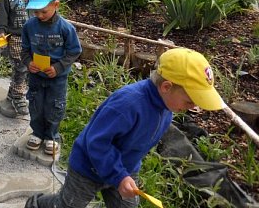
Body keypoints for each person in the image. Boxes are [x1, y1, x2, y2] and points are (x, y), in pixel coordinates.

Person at [25, 48, 224, 208]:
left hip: (124, 168)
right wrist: (119, 176)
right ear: (166, 87)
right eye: (190, 101)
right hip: (89, 167)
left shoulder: (167, 106)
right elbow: (97, 142)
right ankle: (35, 203)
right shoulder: (128, 104)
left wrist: (122, 175)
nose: (194, 107)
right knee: (68, 204)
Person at [21, 0, 81, 154]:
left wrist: (59, 67)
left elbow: (74, 51)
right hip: (36, 76)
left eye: (43, 11)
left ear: (56, 5)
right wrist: (28, 63)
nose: (39, 15)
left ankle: (51, 136)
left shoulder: (65, 28)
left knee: (54, 106)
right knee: (36, 104)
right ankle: (38, 133)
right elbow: (24, 49)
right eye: (35, 11)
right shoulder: (29, 27)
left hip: (57, 78)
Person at [0, 0, 37, 115]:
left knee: (28, 67)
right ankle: (19, 96)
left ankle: (13, 93)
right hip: (16, 35)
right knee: (20, 66)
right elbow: (3, 11)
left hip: (33, 35)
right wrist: (1, 30)